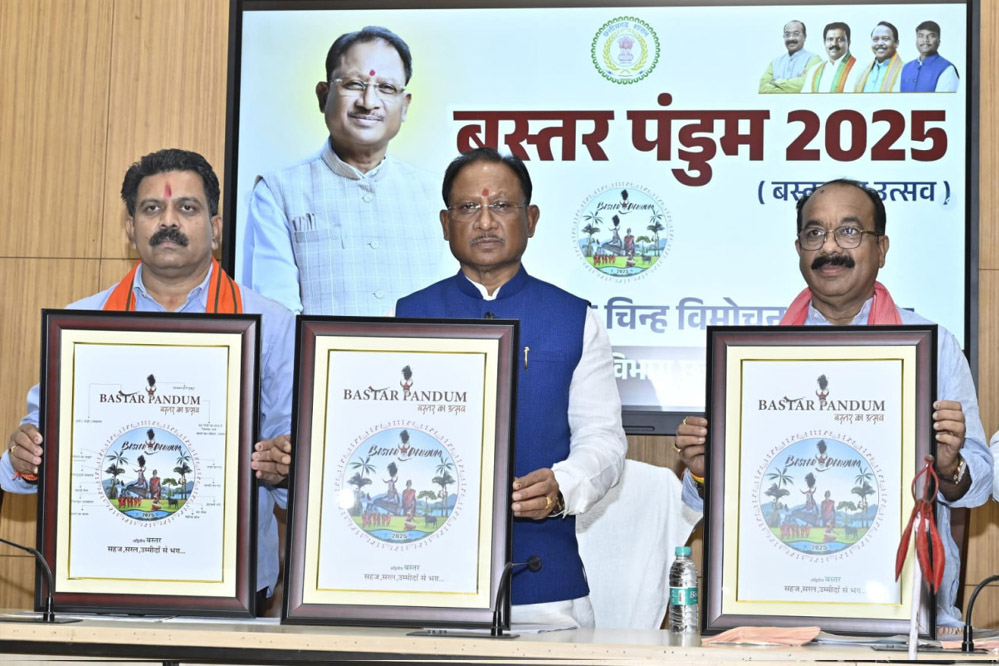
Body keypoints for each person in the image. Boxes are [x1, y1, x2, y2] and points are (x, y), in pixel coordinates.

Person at [675, 179, 992, 630]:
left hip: (903, 620)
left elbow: (980, 486)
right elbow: (710, 501)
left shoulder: (933, 348)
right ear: (799, 249)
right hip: (777, 613)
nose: (829, 248)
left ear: (882, 249)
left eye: (848, 231)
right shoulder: (751, 357)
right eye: (814, 233)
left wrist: (949, 466)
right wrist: (706, 470)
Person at [2, 149, 295, 609]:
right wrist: (26, 455)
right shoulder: (80, 324)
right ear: (130, 226)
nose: (168, 221)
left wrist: (284, 465)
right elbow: (26, 464)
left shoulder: (272, 325)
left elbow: (293, 462)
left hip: (230, 584)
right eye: (152, 208)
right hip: (105, 574)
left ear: (216, 228)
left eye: (187, 208)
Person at [396, 148, 629, 628]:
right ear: (445, 223)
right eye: (468, 207)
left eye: (501, 206)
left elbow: (604, 440)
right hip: (424, 583)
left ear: (532, 219)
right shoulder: (404, 318)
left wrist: (562, 486)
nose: (485, 222)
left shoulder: (574, 318)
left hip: (544, 592)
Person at [243, 26, 447, 315]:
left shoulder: (436, 195)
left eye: (386, 88)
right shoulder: (277, 193)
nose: (368, 102)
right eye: (354, 84)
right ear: (323, 95)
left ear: (404, 106)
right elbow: (277, 318)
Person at [759, 20, 821, 94]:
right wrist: (793, 87)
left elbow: (807, 85)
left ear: (804, 37)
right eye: (787, 35)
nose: (791, 38)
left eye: (796, 34)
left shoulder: (814, 59)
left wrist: (775, 83)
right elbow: (762, 88)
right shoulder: (775, 63)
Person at [801, 22, 862, 93]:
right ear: (824, 42)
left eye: (840, 40)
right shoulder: (814, 70)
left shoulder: (859, 69)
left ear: (848, 43)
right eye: (830, 39)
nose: (834, 44)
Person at [900, 21, 959, 92]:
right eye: (921, 36)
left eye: (931, 36)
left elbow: (944, 99)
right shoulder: (906, 67)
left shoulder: (947, 69)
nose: (925, 40)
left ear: (939, 41)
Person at [856, 21, 903, 92]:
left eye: (885, 39)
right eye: (875, 39)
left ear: (896, 43)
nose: (880, 43)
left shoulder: (905, 71)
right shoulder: (862, 71)